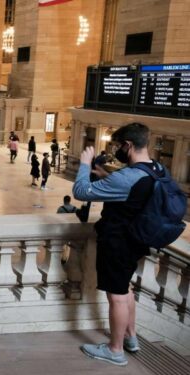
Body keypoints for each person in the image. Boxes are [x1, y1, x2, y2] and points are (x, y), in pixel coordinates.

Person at [72, 123, 160, 366]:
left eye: (118, 145)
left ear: (128, 145)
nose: (116, 150)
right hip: (137, 241)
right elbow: (131, 188)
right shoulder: (156, 169)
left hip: (118, 243)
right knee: (126, 289)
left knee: (117, 296)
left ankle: (115, 350)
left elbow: (80, 190)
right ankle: (131, 338)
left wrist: (85, 164)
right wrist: (108, 178)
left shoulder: (126, 177)